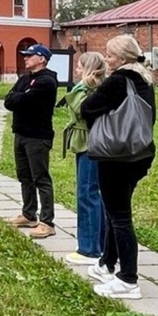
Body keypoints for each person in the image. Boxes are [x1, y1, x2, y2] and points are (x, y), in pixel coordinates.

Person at [80, 34, 156, 301]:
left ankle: (128, 279)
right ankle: (107, 263)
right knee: (115, 210)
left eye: (110, 54)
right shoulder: (144, 79)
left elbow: (87, 109)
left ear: (122, 58)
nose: (106, 58)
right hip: (139, 152)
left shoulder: (118, 81)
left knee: (120, 217)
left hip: (115, 156)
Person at [5, 44, 58, 238]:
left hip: (38, 136)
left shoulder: (47, 81)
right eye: (25, 55)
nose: (25, 58)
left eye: (30, 55)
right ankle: (29, 214)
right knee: (24, 177)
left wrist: (20, 97)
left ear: (42, 59)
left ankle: (47, 221)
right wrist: (21, 96)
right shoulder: (24, 79)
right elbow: (8, 100)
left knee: (40, 178)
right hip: (20, 133)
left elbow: (27, 102)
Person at [60, 51, 108, 264]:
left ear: (88, 67)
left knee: (87, 194)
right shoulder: (102, 86)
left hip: (89, 143)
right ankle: (101, 243)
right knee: (96, 194)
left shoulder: (86, 88)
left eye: (80, 65)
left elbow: (83, 111)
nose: (77, 69)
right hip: (96, 142)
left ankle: (89, 249)